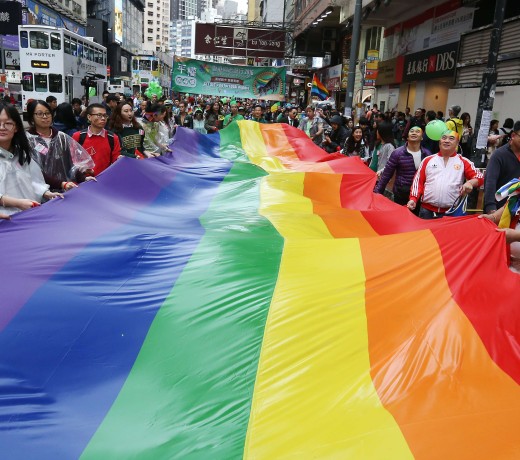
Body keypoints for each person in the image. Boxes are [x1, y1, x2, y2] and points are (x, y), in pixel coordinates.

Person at [0, 103, 63, 216]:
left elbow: (31, 180)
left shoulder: (21, 154)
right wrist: (17, 203)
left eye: (8, 123)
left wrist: (46, 193)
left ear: (16, 127)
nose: (2, 128)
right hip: (5, 220)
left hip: (27, 216)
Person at [407, 131, 483, 219]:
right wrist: (413, 199)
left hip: (451, 212)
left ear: (457, 143)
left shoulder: (463, 161)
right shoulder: (428, 160)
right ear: (439, 142)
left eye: (451, 138)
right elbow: (418, 181)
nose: (446, 141)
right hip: (427, 211)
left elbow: (480, 177)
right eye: (444, 138)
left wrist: (470, 183)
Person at [27, 100, 94, 192]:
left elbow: (69, 164)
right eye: (39, 114)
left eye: (47, 113)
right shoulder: (27, 139)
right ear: (31, 117)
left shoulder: (61, 137)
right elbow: (34, 172)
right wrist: (60, 184)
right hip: (40, 192)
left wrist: (83, 179)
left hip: (64, 190)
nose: (45, 117)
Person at [375, 126, 431, 207]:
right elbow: (386, 175)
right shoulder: (397, 153)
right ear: (407, 136)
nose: (414, 133)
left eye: (417, 131)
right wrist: (377, 193)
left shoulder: (427, 154)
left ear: (422, 137)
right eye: (411, 131)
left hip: (420, 195)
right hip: (401, 194)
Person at [73, 103, 121, 175]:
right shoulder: (78, 136)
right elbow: (72, 160)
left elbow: (116, 162)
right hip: (83, 181)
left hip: (104, 180)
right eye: (99, 115)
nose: (103, 118)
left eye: (105, 115)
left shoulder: (113, 138)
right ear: (89, 117)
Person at [483, 120, 520, 214]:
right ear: (513, 136)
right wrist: (491, 208)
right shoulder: (499, 155)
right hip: (498, 210)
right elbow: (490, 182)